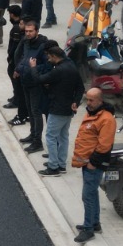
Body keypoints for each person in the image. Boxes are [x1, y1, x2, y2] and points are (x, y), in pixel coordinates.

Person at [31, 43, 82, 176]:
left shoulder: (58, 70)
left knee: (51, 136)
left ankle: (53, 166)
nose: (48, 59)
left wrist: (33, 68)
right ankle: (61, 164)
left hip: (57, 108)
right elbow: (80, 87)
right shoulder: (72, 66)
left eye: (49, 57)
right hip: (68, 109)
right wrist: (76, 102)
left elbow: (39, 80)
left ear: (54, 56)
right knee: (63, 136)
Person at [72, 88, 116, 241]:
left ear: (100, 100)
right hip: (87, 161)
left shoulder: (106, 119)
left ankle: (89, 229)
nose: (88, 103)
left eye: (91, 100)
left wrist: (92, 162)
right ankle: (95, 223)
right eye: (87, 99)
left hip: (94, 163)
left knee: (87, 196)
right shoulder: (93, 113)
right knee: (92, 193)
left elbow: (104, 145)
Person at [13, 17, 52, 153]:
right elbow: (23, 57)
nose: (28, 33)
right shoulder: (26, 42)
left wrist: (33, 69)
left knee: (36, 112)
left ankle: (37, 141)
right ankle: (32, 134)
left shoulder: (43, 45)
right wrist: (18, 69)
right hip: (25, 80)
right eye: (27, 31)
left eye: (31, 31)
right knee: (29, 110)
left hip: (36, 83)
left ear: (37, 31)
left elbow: (46, 65)